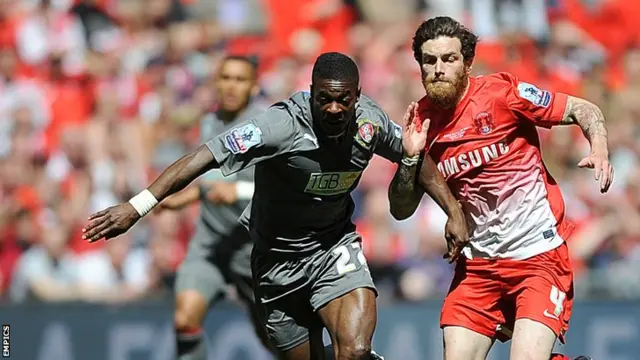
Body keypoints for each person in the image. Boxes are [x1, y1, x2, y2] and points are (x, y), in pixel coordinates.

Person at [82, 52, 468, 360]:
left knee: (355, 350)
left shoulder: (370, 123)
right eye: (325, 99)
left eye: (344, 100)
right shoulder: (276, 127)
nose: (334, 109)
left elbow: (416, 159)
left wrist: (452, 210)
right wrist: (138, 207)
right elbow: (201, 158)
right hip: (274, 263)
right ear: (311, 91)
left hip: (333, 248)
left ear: (357, 95)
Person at [388, 16, 611, 360]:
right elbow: (401, 210)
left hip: (537, 258)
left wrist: (598, 148)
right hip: (478, 268)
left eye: (449, 59)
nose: (438, 68)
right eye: (429, 60)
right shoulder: (421, 121)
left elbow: (583, 108)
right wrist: (409, 160)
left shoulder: (502, 93)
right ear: (419, 65)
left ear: (467, 63)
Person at [156, 55, 272, 360]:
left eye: (240, 79)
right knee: (184, 319)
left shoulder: (266, 127)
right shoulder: (210, 123)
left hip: (253, 253)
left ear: (254, 85)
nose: (231, 86)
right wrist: (184, 199)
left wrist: (239, 191)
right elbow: (213, 182)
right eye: (226, 78)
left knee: (276, 342)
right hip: (210, 247)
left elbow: (280, 189)